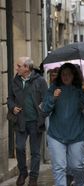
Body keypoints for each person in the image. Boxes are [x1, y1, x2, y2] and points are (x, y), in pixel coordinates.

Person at [42, 63, 84, 186]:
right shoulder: (54, 88)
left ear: (74, 75)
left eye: (69, 74)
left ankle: (80, 183)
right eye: (63, 74)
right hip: (56, 134)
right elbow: (44, 109)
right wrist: (53, 98)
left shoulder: (83, 88)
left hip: (77, 134)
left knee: (77, 166)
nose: (66, 77)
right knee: (59, 167)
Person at [7, 57, 48, 186]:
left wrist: (42, 111)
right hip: (20, 121)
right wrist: (12, 107)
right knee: (19, 148)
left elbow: (46, 100)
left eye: (19, 66)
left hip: (36, 122)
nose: (16, 68)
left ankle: (33, 177)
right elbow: (10, 98)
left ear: (26, 68)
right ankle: (23, 172)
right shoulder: (15, 81)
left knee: (35, 152)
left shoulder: (40, 81)